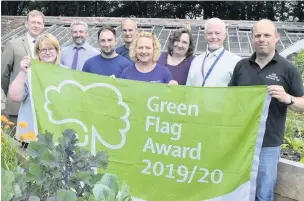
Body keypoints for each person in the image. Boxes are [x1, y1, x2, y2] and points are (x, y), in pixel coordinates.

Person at [228, 19, 304, 201]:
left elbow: (302, 104)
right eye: (258, 35)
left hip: (268, 144)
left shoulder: (288, 68)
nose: (262, 39)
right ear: (252, 39)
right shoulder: (241, 66)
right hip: (241, 140)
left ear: (276, 38)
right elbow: (229, 98)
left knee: (263, 192)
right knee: (238, 191)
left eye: (267, 35)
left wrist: (288, 98)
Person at [8, 33, 65, 138]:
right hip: (31, 132)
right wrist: (22, 72)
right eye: (43, 50)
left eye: (51, 48)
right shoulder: (29, 72)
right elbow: (16, 97)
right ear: (38, 52)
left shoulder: (66, 73)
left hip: (57, 133)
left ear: (57, 50)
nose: (47, 52)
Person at [1, 10, 45, 124]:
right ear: (26, 24)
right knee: (15, 141)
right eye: (33, 22)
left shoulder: (48, 47)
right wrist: (13, 93)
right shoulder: (13, 45)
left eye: (39, 23)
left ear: (43, 26)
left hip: (41, 107)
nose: (36, 25)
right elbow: (3, 75)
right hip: (17, 107)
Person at [186, 18, 241, 87]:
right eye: (209, 33)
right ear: (205, 36)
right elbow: (189, 88)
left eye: (217, 33)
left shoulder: (236, 62)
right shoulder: (195, 61)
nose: (213, 36)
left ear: (224, 36)